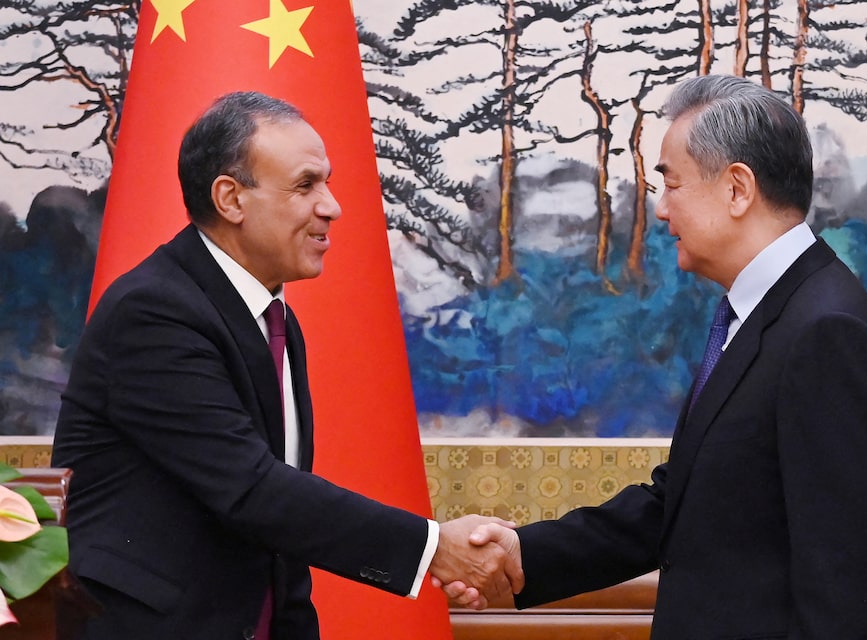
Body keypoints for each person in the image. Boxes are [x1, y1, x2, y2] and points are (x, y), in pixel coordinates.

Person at [443, 74, 867, 638]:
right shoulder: (759, 313)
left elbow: (844, 585)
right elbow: (683, 503)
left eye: (674, 184)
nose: (661, 210)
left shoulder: (826, 331)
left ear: (738, 188)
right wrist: (523, 553)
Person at [51, 91, 520, 640]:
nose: (332, 206)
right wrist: (433, 548)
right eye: (305, 185)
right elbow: (251, 489)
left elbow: (278, 520)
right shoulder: (154, 312)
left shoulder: (271, 317)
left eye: (326, 182)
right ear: (230, 198)